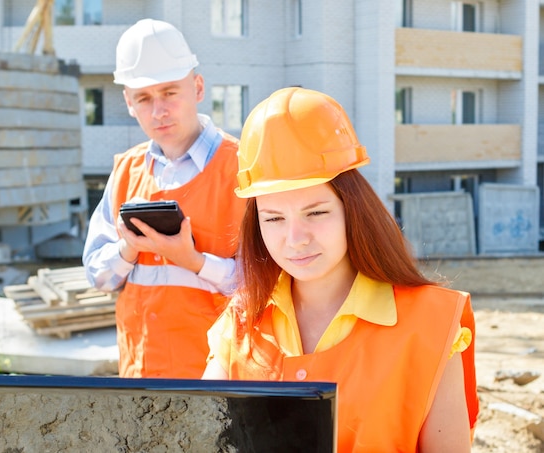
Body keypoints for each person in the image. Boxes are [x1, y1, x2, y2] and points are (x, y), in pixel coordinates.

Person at [202, 87, 479, 451]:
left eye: (315, 213)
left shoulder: (433, 325)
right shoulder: (238, 326)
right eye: (273, 218)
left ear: (353, 210)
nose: (294, 238)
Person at [83, 18, 246, 379]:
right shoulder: (126, 171)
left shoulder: (242, 168)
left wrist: (193, 261)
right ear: (128, 102)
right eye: (144, 98)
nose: (158, 110)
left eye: (170, 92)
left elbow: (269, 284)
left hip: (217, 382)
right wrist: (128, 249)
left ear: (198, 87)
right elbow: (98, 275)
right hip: (139, 379)